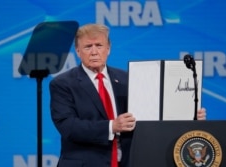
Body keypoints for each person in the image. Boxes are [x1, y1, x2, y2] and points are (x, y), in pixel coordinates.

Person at [49, 23, 206, 167]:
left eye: (99, 45)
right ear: (78, 51)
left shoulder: (127, 79)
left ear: (108, 48)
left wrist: (188, 116)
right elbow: (68, 126)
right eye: (88, 47)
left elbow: (150, 114)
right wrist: (112, 126)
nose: (94, 52)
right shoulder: (63, 84)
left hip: (127, 162)